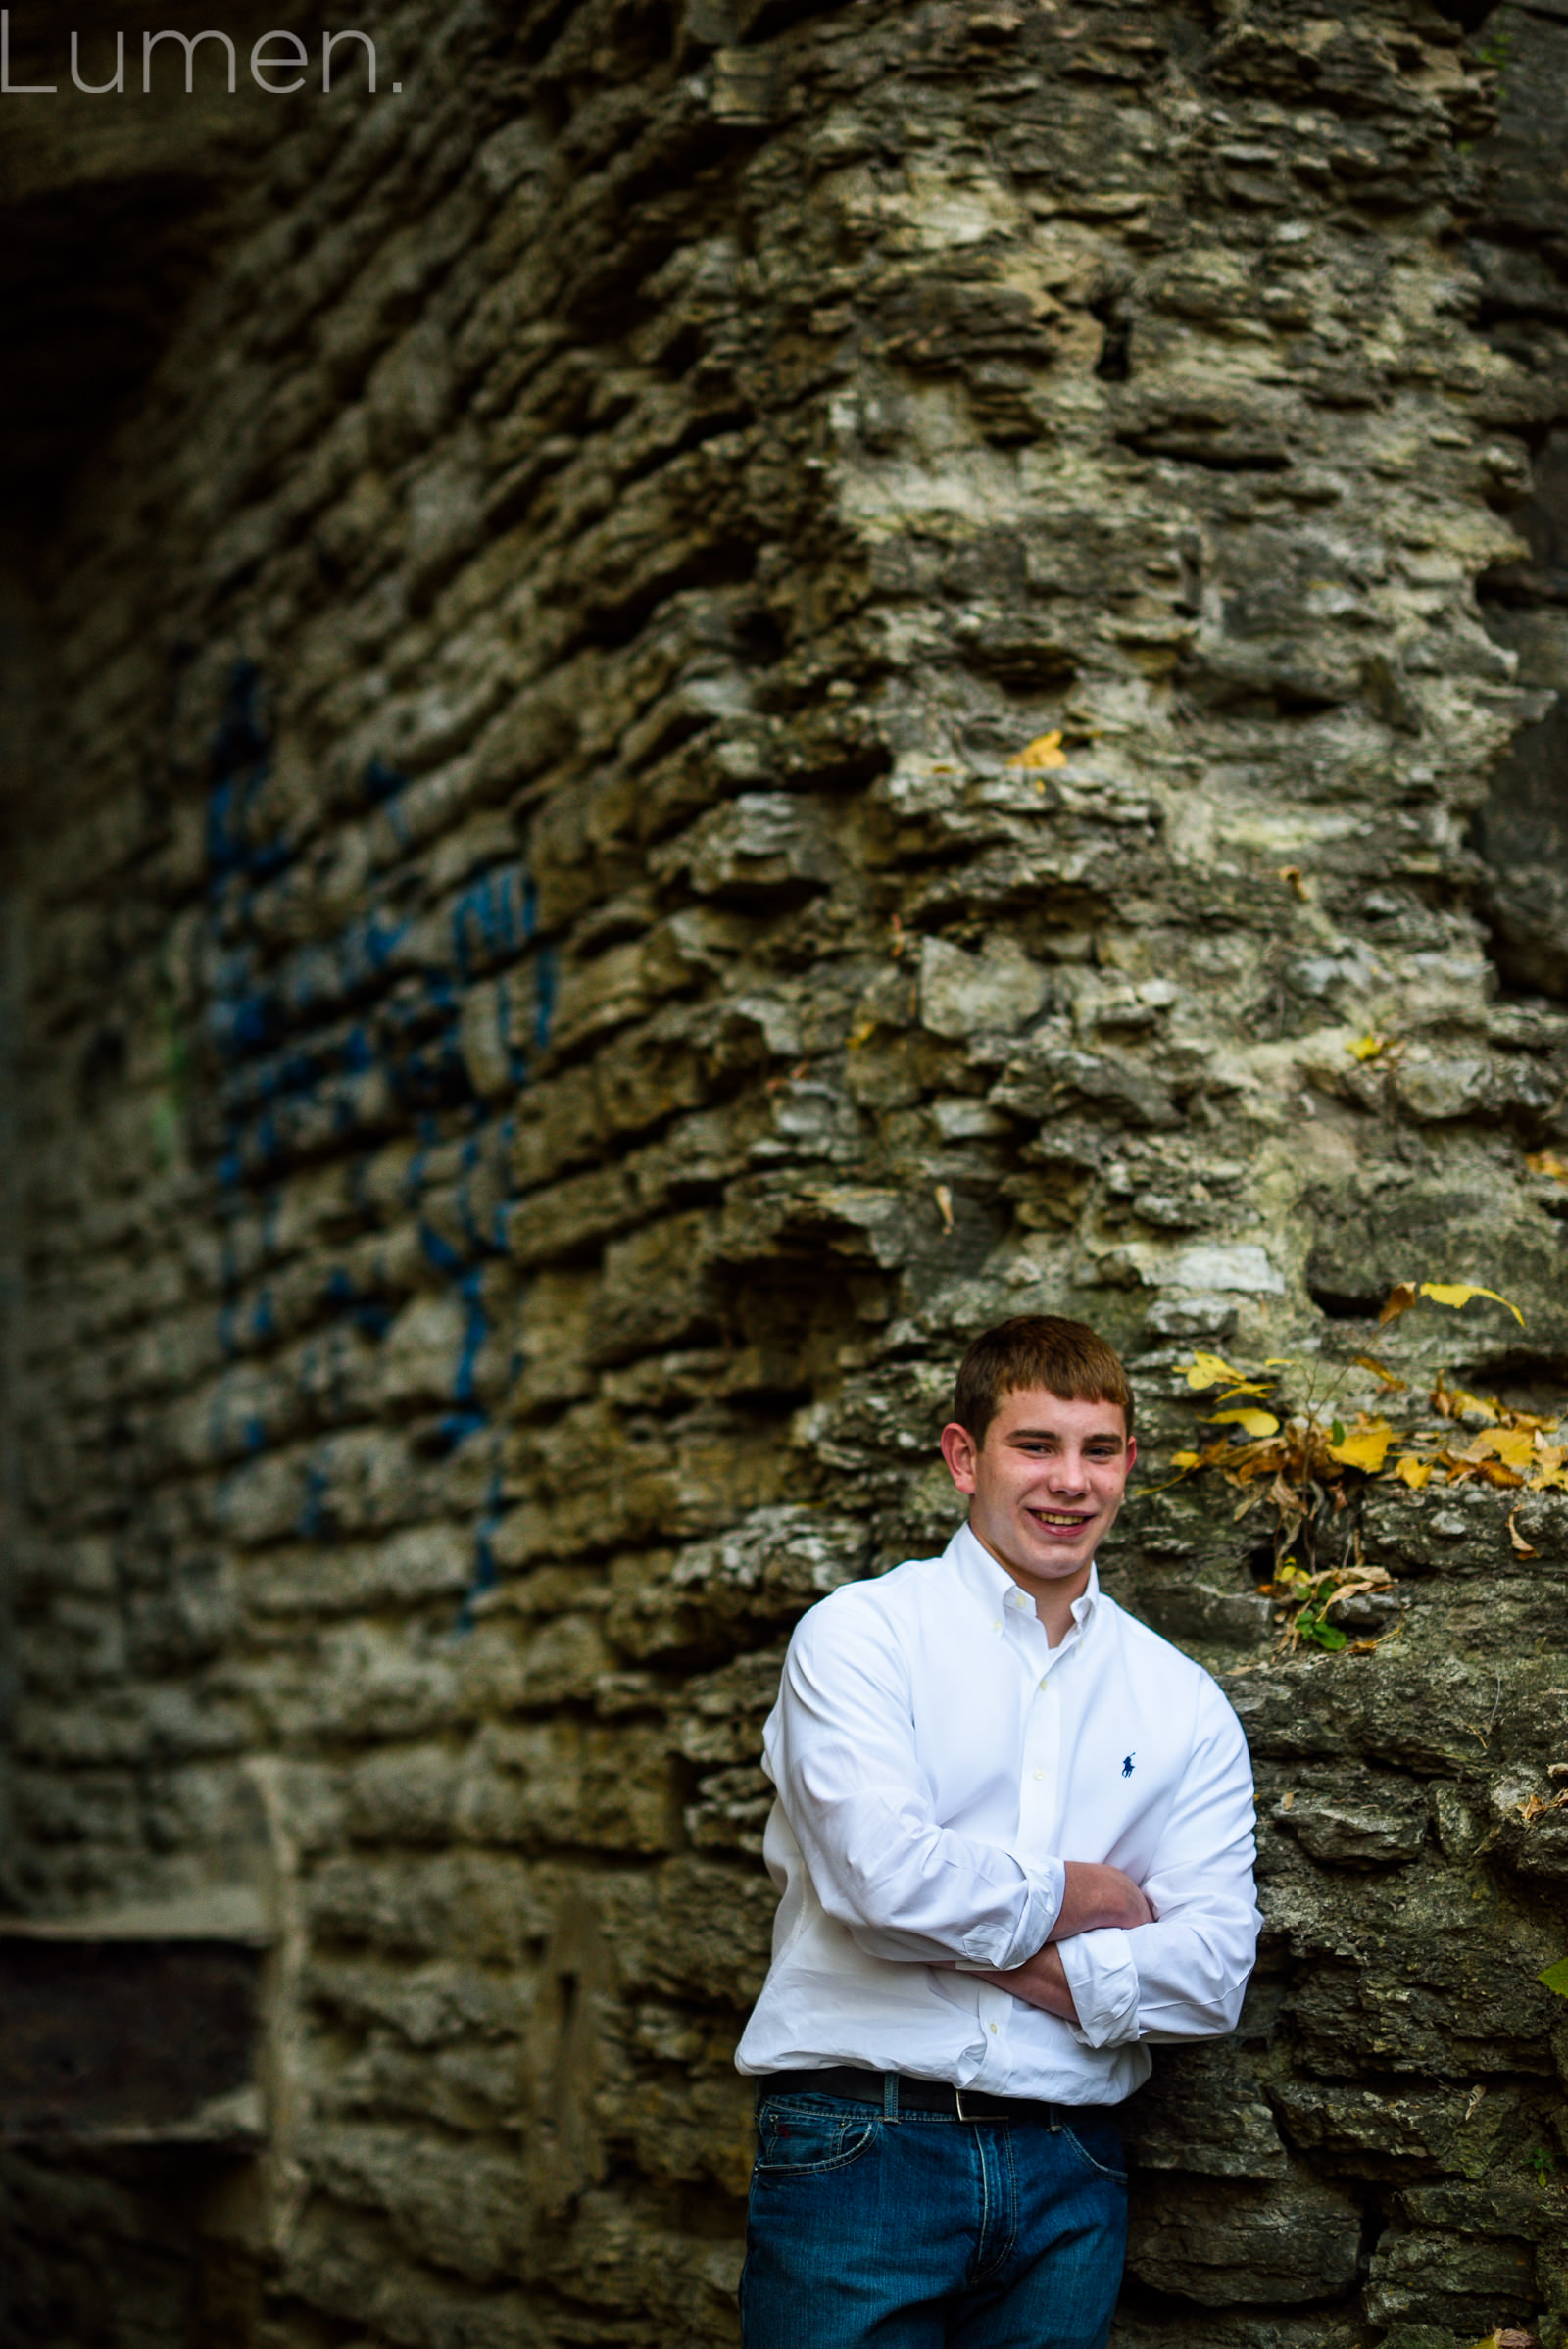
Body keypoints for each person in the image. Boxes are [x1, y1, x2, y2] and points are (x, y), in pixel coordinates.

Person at [734, 1314, 1261, 2349]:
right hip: (858, 2148)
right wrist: (1091, 1900)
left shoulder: (1182, 1701)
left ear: (1126, 1464)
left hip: (1074, 2166)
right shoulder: (858, 1637)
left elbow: (1209, 1976)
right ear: (962, 1457)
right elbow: (883, 1884)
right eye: (1036, 1445)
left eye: (1098, 1450)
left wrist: (963, 1933)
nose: (1071, 1481)